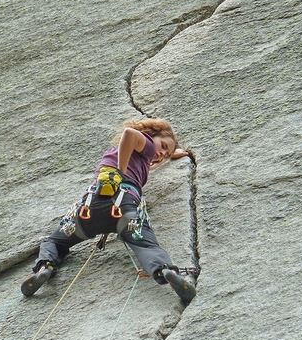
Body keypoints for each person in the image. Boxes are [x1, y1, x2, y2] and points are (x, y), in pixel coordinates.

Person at [21, 118, 196, 303]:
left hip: (88, 212)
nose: (161, 154)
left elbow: (143, 150)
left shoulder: (129, 154)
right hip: (124, 210)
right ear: (151, 134)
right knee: (146, 246)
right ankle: (164, 270)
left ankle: (45, 268)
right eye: (162, 146)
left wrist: (171, 153)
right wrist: (121, 172)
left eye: (165, 154)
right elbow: (130, 134)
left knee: (54, 242)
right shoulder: (147, 147)